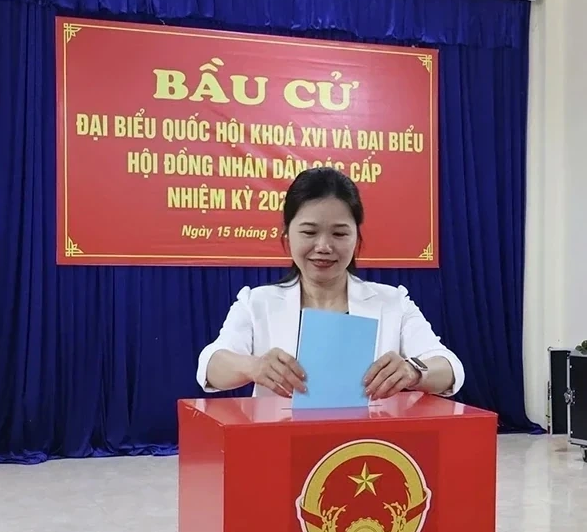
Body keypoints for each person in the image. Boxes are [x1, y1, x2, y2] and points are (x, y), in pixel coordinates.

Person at [196, 167, 464, 400]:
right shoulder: (257, 303)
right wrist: (252, 367)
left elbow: (450, 368)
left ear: (357, 238)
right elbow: (211, 366)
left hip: (369, 447)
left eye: (339, 233)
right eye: (309, 232)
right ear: (287, 236)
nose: (323, 246)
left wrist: (412, 370)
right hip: (279, 445)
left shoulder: (392, 302)